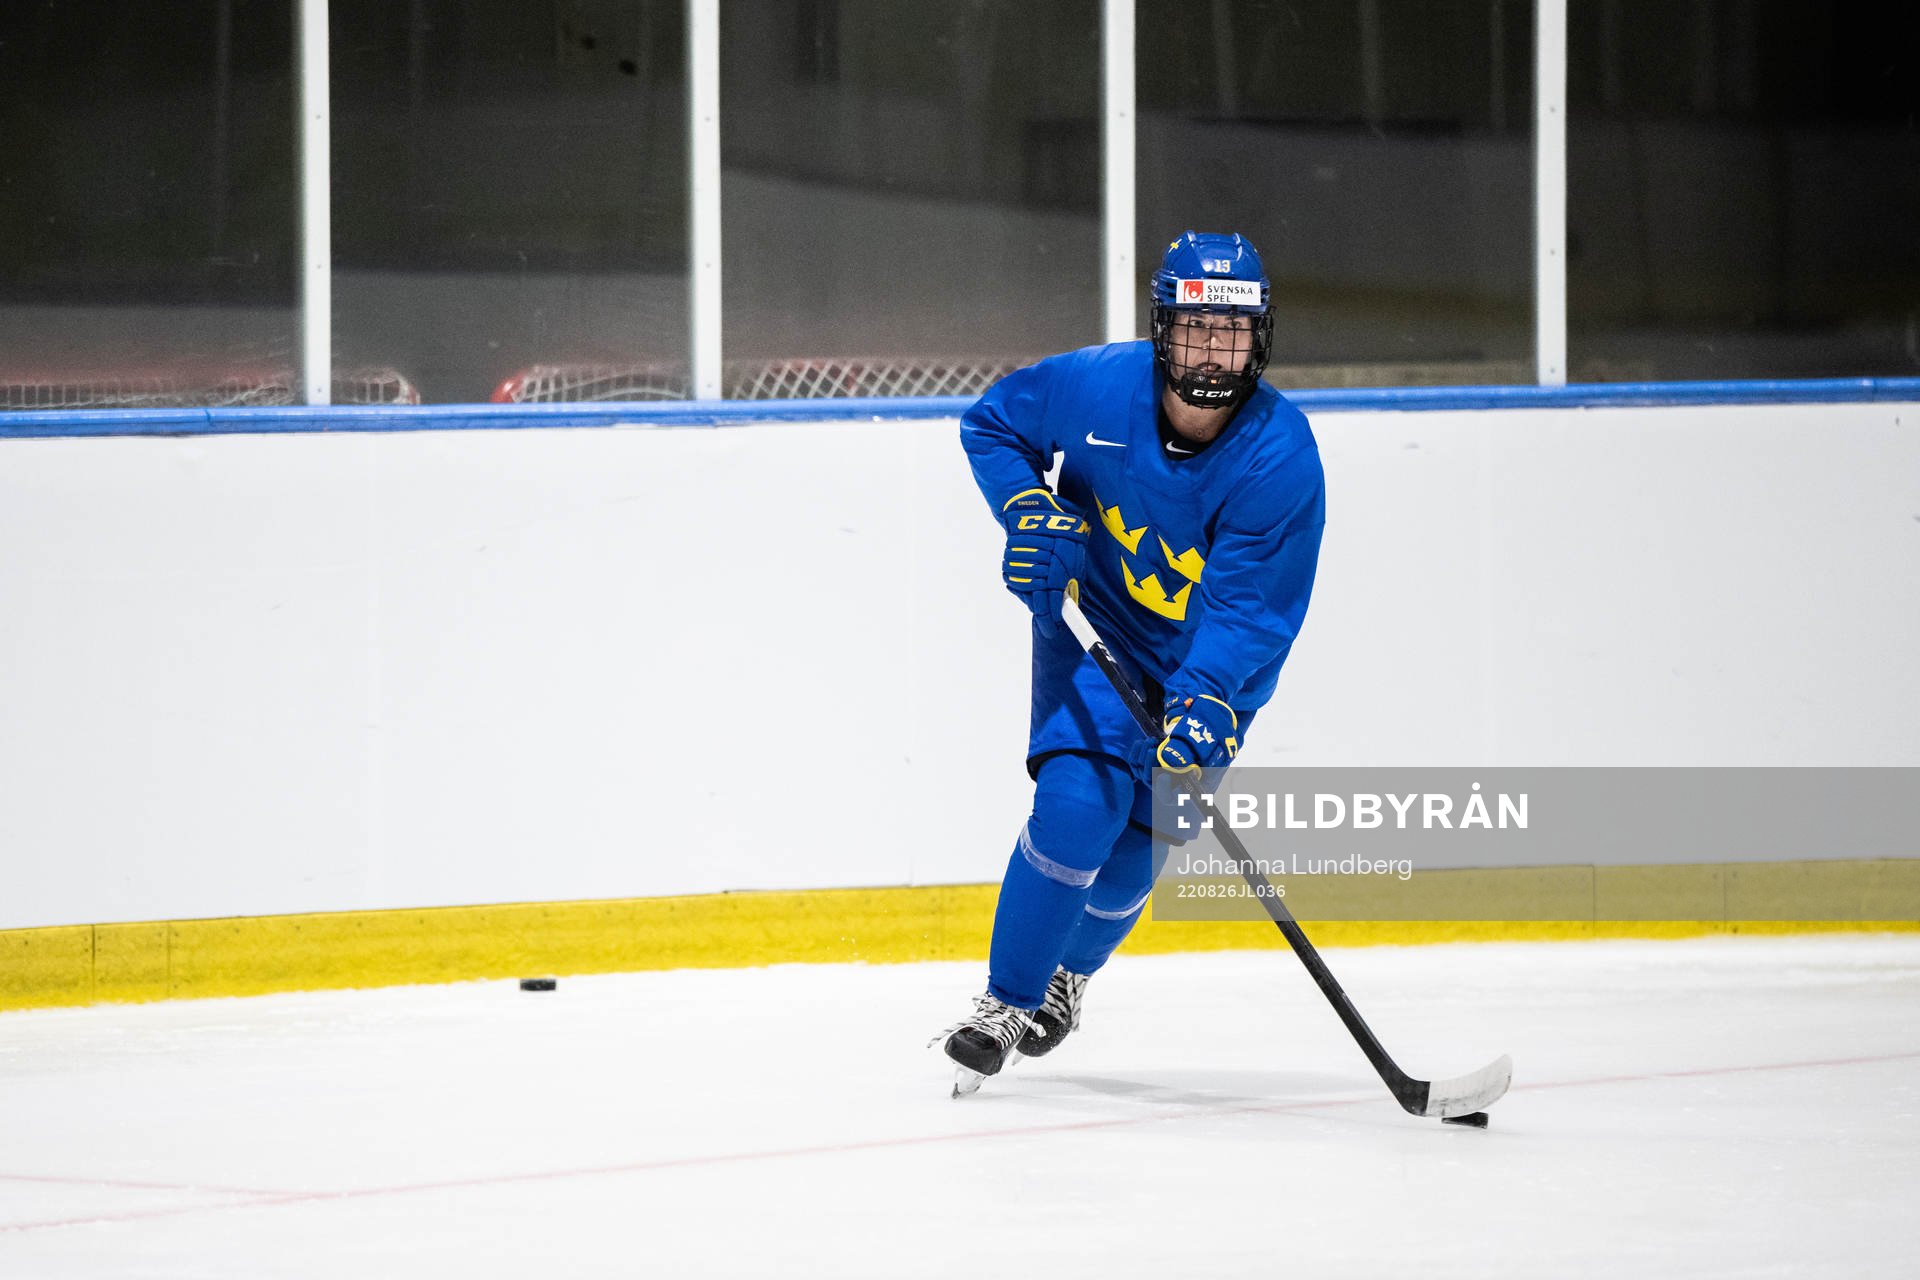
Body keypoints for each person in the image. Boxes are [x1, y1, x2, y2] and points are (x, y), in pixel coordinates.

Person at [937, 230, 1327, 1094]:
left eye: (1232, 331)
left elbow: (1248, 609)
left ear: (1258, 337)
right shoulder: (1093, 385)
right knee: (1079, 803)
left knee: (1137, 853)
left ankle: (1069, 978)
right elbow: (992, 424)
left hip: (1209, 668)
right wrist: (1029, 513)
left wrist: (1208, 701)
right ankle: (1003, 1004)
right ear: (1164, 328)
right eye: (1196, 328)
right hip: (1100, 629)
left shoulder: (1280, 455)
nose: (1213, 351)